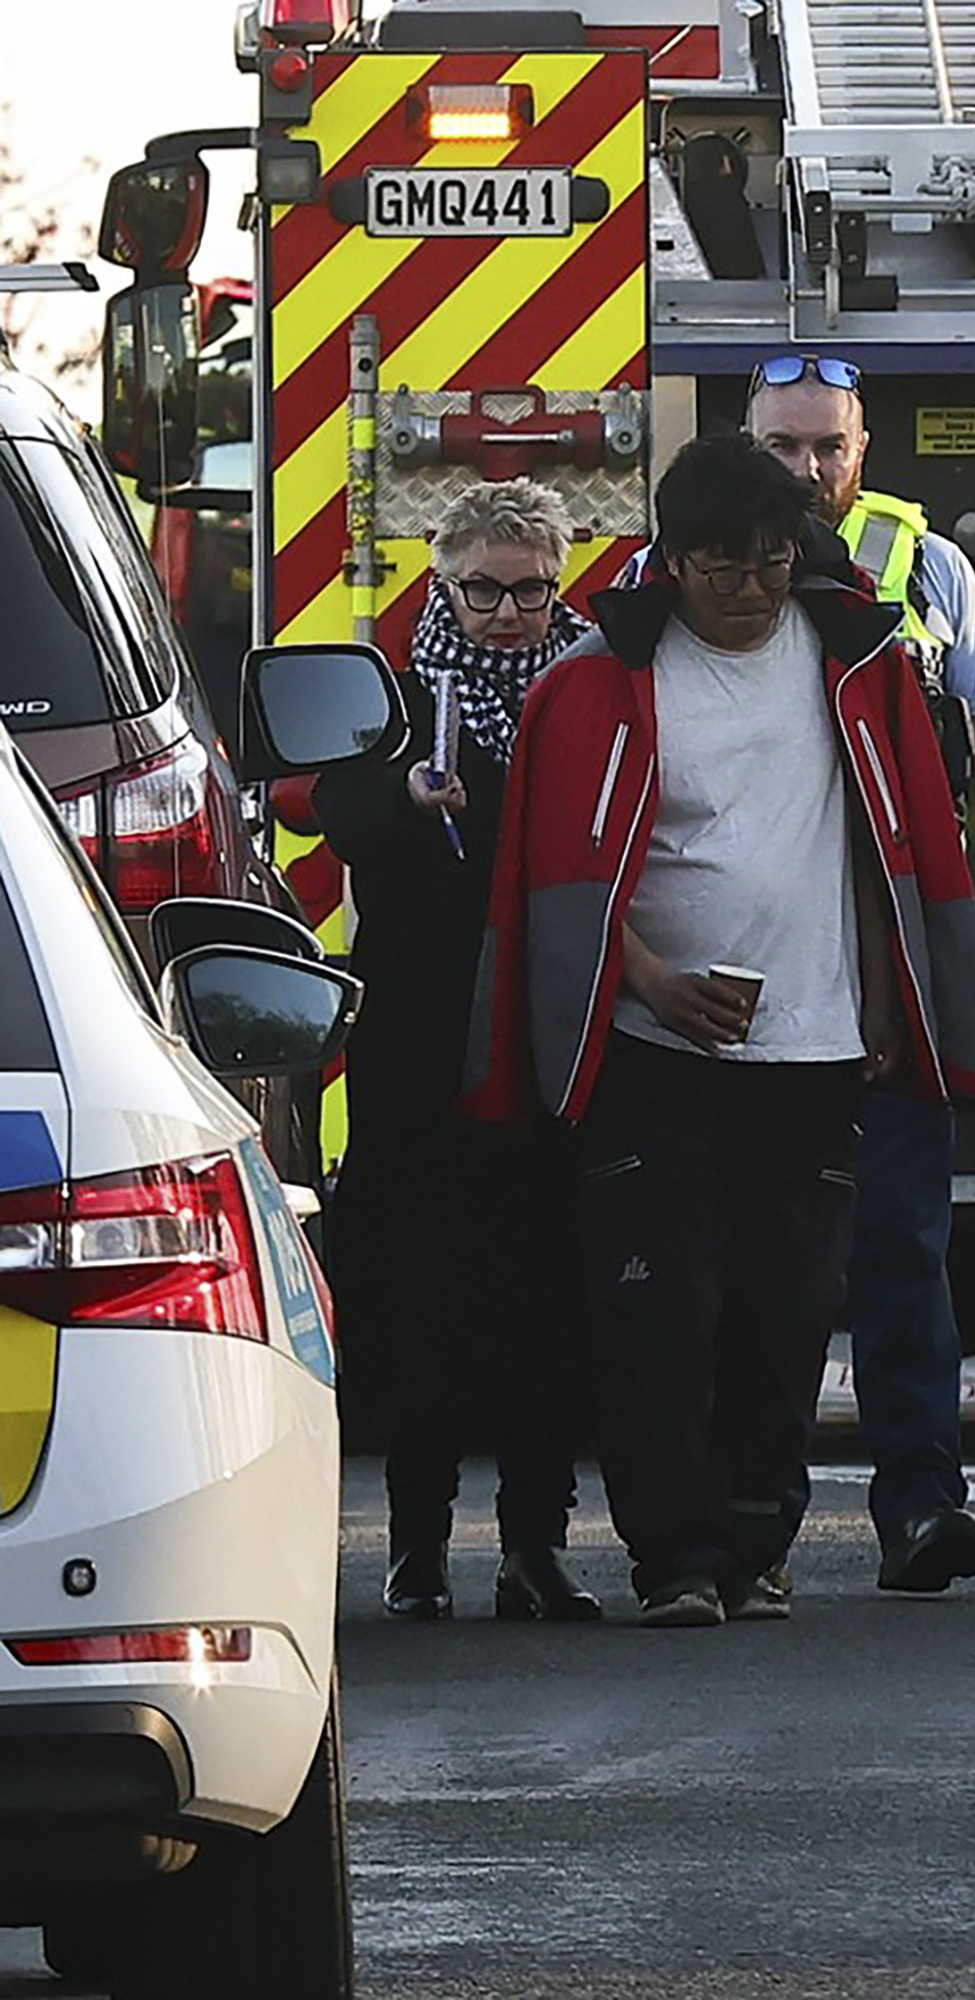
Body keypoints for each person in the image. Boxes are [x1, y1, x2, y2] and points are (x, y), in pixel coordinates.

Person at [462, 434, 975, 1628]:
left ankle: (758, 1539)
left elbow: (883, 842)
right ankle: (675, 1558)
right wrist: (650, 982)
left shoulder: (859, 667)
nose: (754, 590)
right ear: (672, 561)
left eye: (774, 562)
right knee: (658, 1306)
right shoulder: (597, 682)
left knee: (788, 1305)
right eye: (725, 568)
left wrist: (880, 991)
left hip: (812, 1042)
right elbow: (561, 876)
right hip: (652, 1051)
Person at [746, 354, 975, 1594]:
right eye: (783, 446)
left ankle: (922, 1505)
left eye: (829, 445)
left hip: (891, 960)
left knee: (902, 1250)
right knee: (760, 1261)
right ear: (745, 443)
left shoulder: (929, 567)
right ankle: (748, 1521)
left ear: (863, 448)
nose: (808, 470)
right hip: (749, 968)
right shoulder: (685, 564)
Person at [317, 479, 598, 1624]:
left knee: (551, 1291)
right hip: (421, 1044)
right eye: (482, 589)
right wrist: (405, 793)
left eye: (530, 590)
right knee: (422, 1296)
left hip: (548, 1031)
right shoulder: (392, 695)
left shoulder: (592, 689)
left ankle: (537, 1545)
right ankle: (417, 1547)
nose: (506, 613)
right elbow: (333, 810)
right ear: (444, 585)